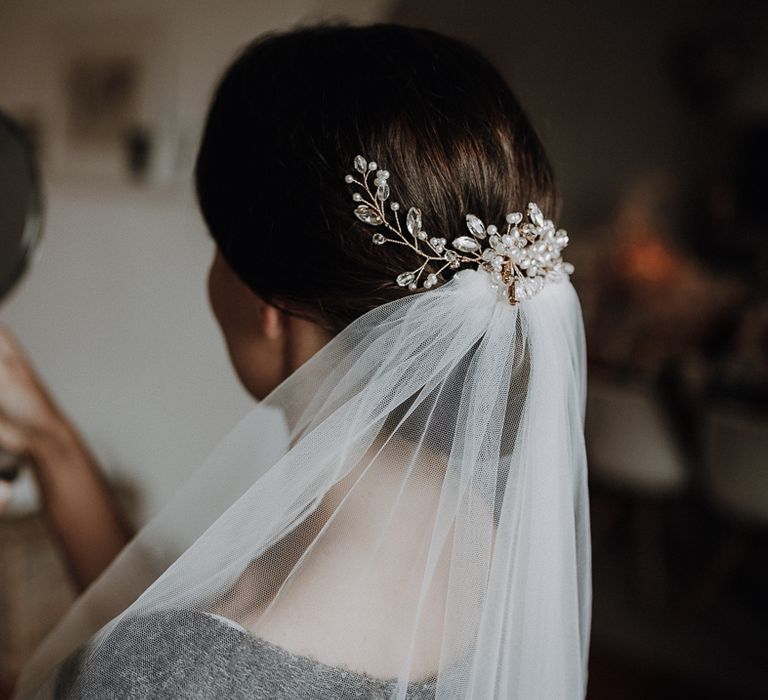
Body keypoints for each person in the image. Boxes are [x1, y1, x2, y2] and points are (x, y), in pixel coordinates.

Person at [12, 21, 591, 699]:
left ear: (266, 304)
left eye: (216, 241)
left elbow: (177, 659)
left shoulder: (160, 675)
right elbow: (185, 632)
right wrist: (53, 447)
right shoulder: (477, 523)